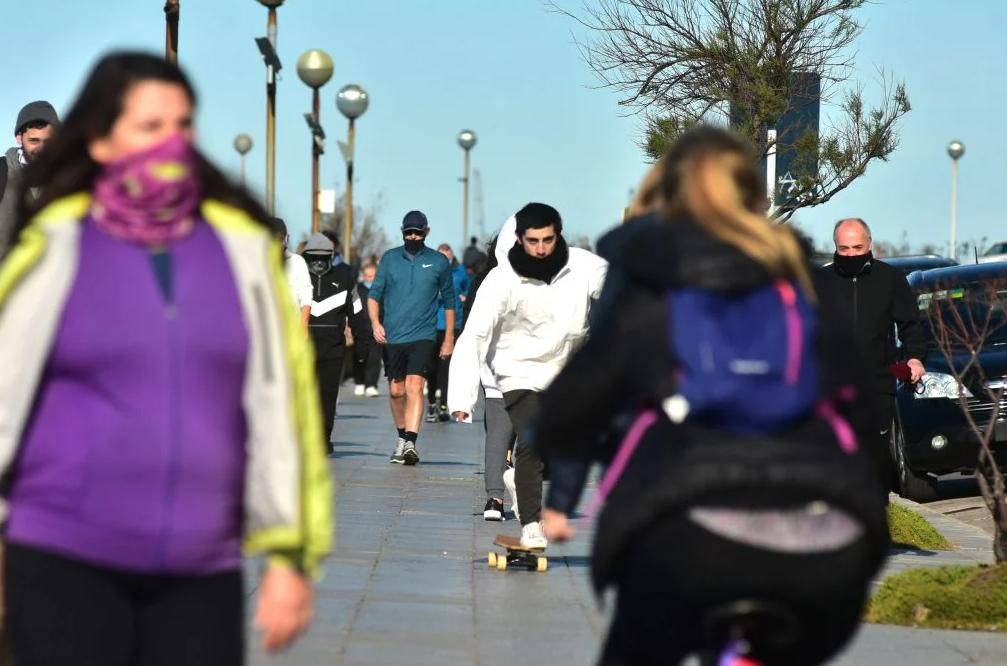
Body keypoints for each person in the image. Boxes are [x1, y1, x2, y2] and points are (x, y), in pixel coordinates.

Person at [0, 53, 331, 665]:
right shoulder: (55, 248)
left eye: (181, 126)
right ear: (100, 140)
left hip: (198, 565)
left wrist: (290, 553)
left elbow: (278, 404)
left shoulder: (240, 253)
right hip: (63, 555)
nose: (170, 144)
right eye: (148, 127)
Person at [535, 127, 889, 665]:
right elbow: (862, 411)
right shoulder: (801, 287)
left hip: (687, 540)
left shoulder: (654, 286)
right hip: (825, 543)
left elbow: (570, 405)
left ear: (671, 196)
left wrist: (563, 457)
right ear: (757, 199)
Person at [449, 203, 607, 548]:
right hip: (515, 370)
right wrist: (461, 396)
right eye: (531, 242)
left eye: (547, 241)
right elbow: (473, 334)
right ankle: (532, 526)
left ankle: (516, 481)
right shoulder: (501, 279)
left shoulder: (582, 265)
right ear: (518, 242)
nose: (540, 250)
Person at [819, 218, 927, 486]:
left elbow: (910, 324)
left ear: (870, 244)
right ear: (836, 247)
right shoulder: (821, 281)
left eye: (857, 247)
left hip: (878, 383)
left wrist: (914, 358)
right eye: (844, 249)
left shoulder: (889, 279)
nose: (851, 254)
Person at [368, 210, 455, 465]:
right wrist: (375, 323)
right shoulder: (390, 259)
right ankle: (401, 436)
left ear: (426, 232)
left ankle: (410, 443)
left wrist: (449, 337)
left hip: (424, 335)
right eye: (409, 232)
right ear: (402, 232)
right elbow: (374, 295)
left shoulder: (439, 262)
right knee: (396, 391)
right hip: (394, 336)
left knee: (414, 386)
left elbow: (450, 302)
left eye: (418, 232)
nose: (413, 236)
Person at [303, 231, 362, 455]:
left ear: (331, 256)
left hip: (333, 349)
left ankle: (324, 437)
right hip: (301, 348)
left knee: (327, 396)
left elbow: (357, 314)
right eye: (313, 257)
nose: (318, 261)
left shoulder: (346, 278)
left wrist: (362, 349)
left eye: (323, 256)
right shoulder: (296, 279)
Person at [0, 101, 60, 259]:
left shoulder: (67, 176)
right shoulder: (2, 172)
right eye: (34, 141)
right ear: (19, 138)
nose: (41, 149)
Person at [426, 243, 469, 423]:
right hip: (430, 324)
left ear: (451, 256)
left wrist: (464, 297)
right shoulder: (430, 271)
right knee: (431, 367)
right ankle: (431, 404)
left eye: (447, 256)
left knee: (446, 367)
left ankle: (444, 404)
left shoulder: (460, 272)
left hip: (452, 325)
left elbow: (467, 290)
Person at [271, 216, 312, 329]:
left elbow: (306, 297)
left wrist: (303, 327)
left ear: (286, 239)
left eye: (279, 238)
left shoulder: (297, 262)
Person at [352, 263, 382, 397]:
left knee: (375, 359)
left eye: (373, 276)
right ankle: (359, 382)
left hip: (377, 328)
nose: (370, 278)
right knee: (359, 357)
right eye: (368, 276)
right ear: (363, 276)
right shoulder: (357, 290)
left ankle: (371, 385)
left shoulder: (382, 289)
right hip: (360, 329)